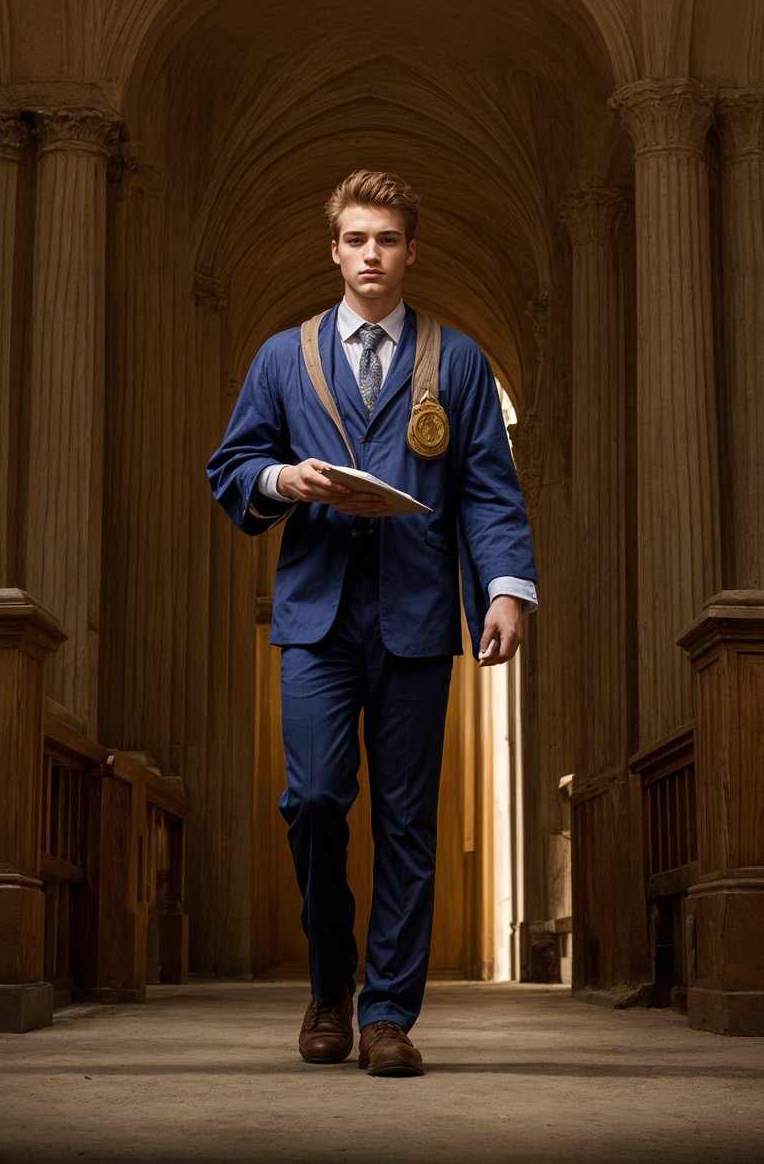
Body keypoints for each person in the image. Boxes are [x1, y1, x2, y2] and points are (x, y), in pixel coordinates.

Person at [208, 169, 536, 1077]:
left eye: (386, 240)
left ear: (410, 251)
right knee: (313, 801)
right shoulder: (283, 356)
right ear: (335, 250)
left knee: (404, 821)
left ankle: (388, 1014)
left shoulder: (458, 361)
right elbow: (232, 467)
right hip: (315, 613)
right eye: (356, 239)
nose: (371, 255)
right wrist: (282, 480)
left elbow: (488, 492)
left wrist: (504, 590)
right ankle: (328, 986)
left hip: (419, 615)